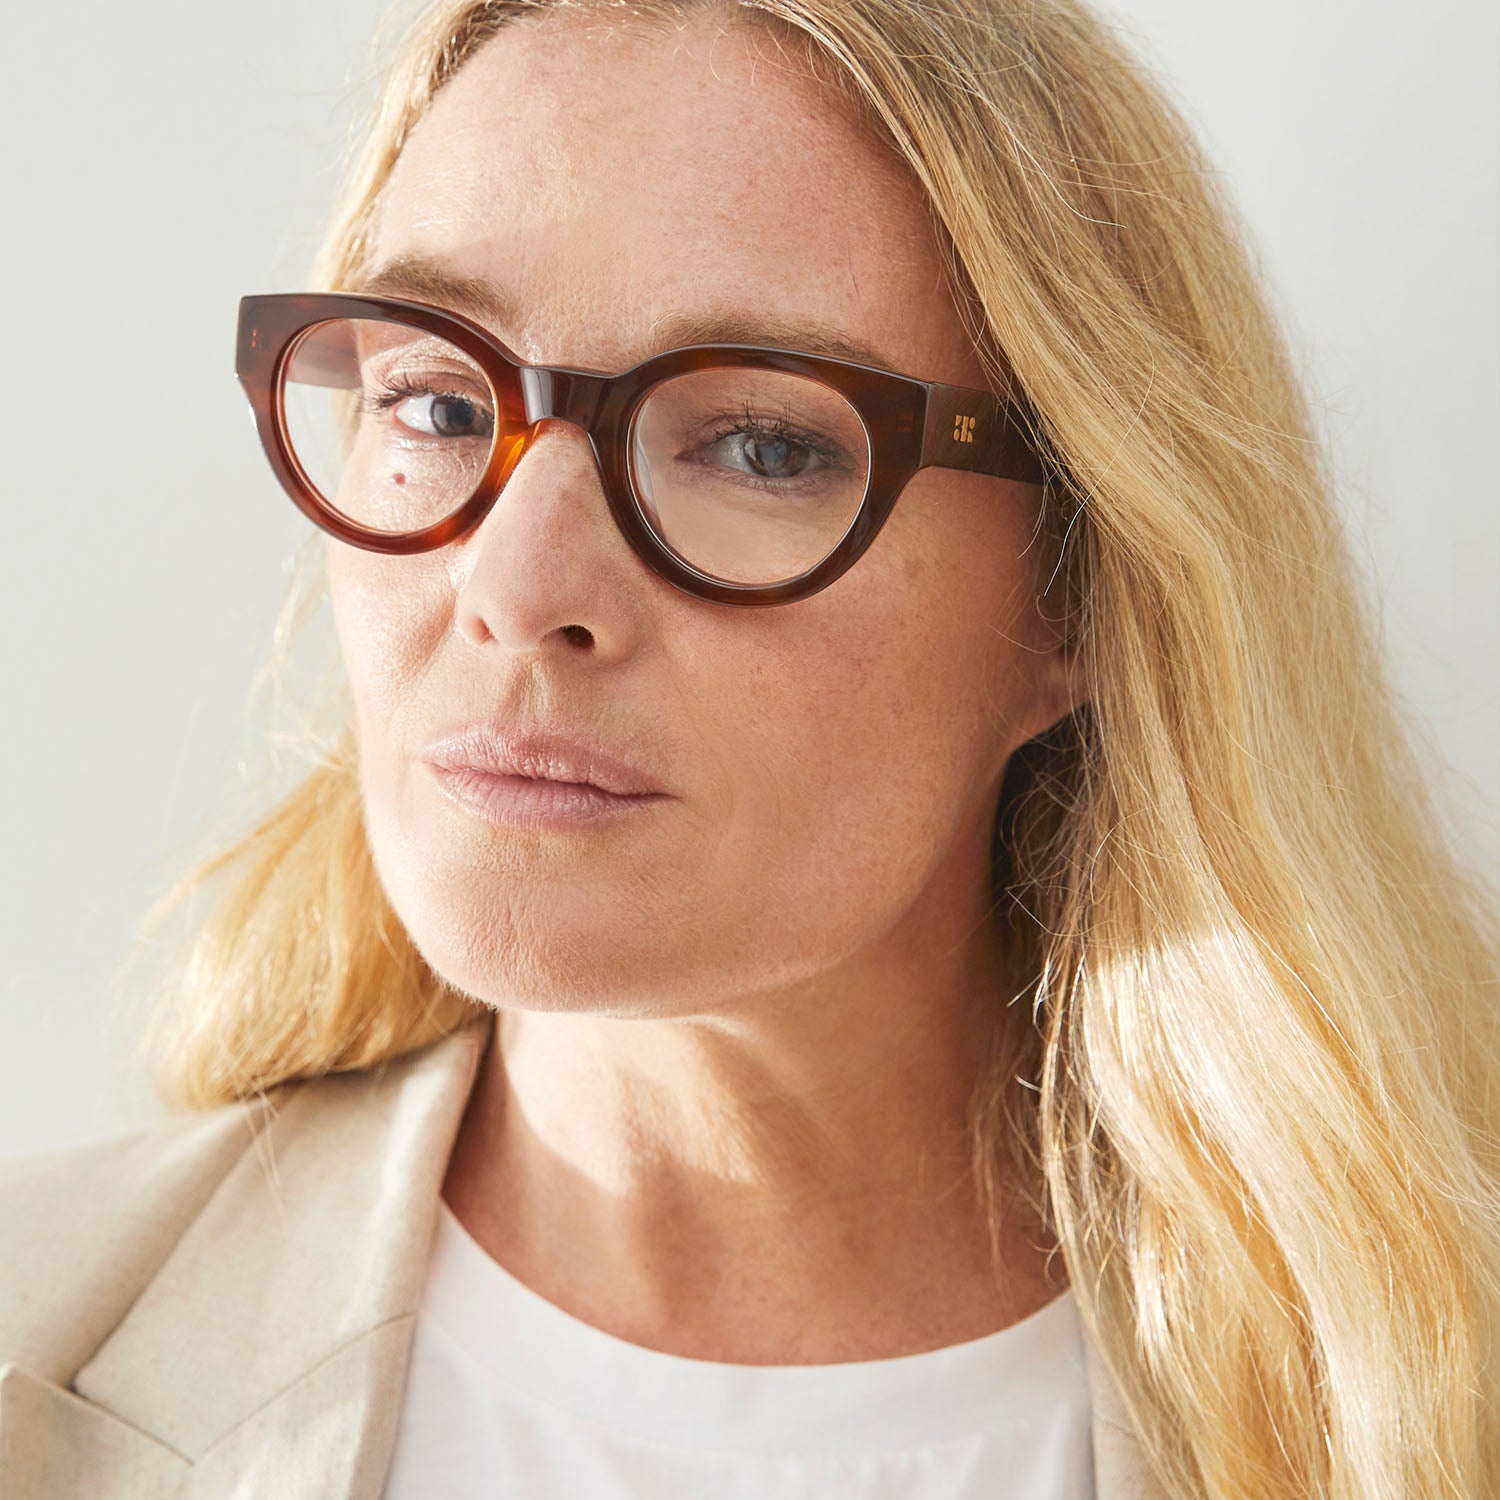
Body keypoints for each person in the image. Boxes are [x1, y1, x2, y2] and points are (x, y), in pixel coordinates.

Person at [2, 1, 1496, 1496]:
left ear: (1079, 589)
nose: (516, 589)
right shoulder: (36, 1352)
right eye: (442, 402)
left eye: (763, 445)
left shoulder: (1439, 1394)